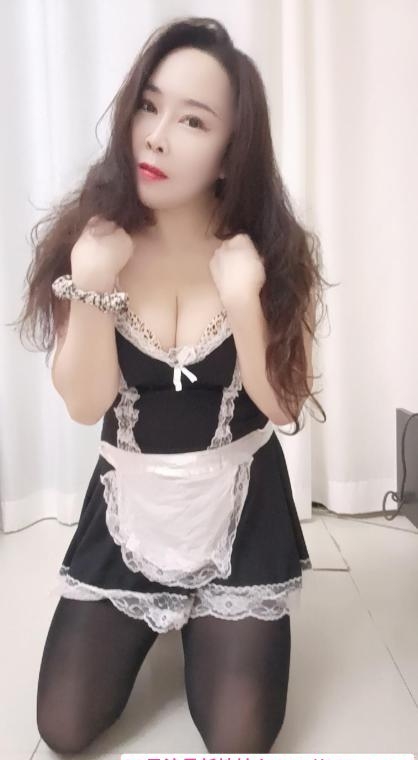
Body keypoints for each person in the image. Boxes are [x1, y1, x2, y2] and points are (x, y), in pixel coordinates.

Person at [14, 15, 329, 755]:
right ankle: (161, 610)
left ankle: (207, 615)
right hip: (129, 507)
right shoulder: (92, 240)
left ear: (230, 152)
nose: (155, 136)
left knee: (238, 739)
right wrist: (94, 283)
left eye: (192, 120)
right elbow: (85, 404)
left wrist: (245, 300)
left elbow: (284, 406)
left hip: (241, 510)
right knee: (62, 728)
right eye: (148, 107)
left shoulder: (274, 253)